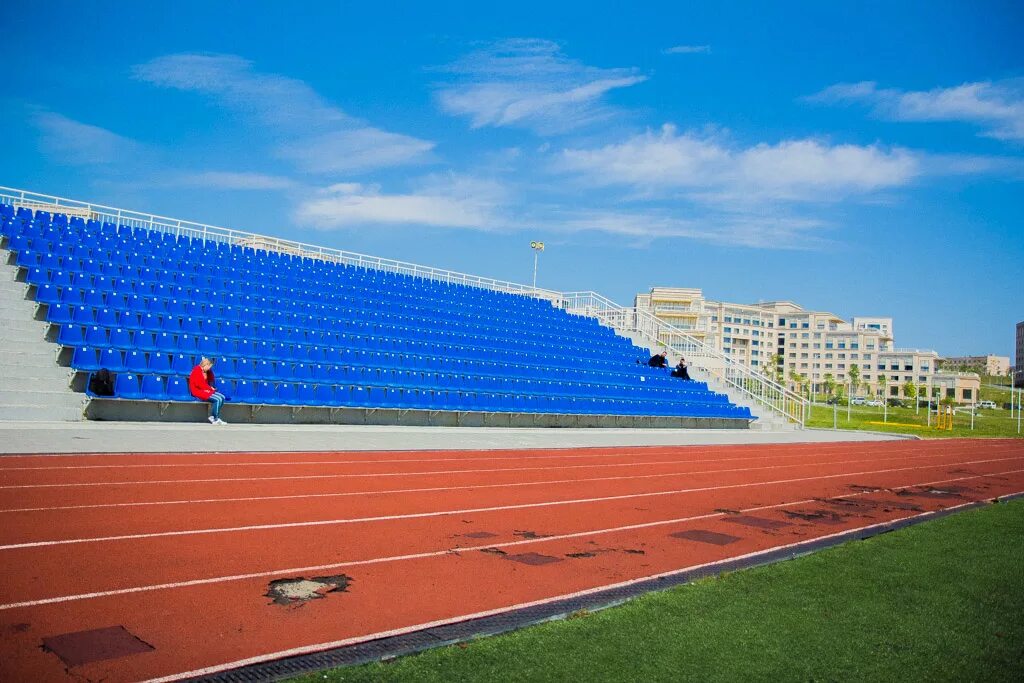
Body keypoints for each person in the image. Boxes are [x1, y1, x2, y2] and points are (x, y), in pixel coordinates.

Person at [189, 357, 228, 425]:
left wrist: (211, 387)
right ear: (206, 365)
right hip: (197, 391)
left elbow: (211, 378)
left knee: (222, 397)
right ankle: (215, 418)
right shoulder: (197, 370)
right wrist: (210, 389)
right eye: (209, 366)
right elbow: (200, 384)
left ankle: (213, 417)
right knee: (218, 399)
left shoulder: (206, 371)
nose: (210, 368)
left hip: (205, 390)